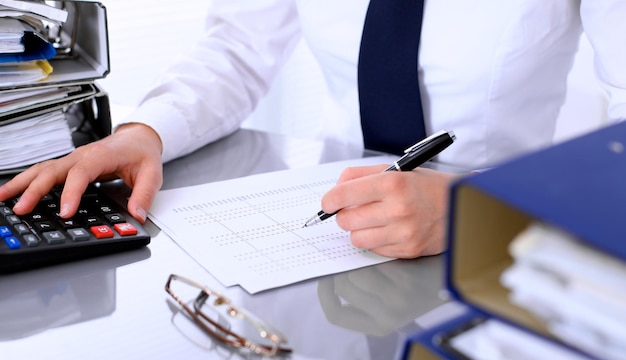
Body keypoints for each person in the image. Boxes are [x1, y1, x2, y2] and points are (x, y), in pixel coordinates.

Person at [0, 1, 624, 259]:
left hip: (514, 240)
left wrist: (479, 207)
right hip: (337, 227)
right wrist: (146, 132)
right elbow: (240, 49)